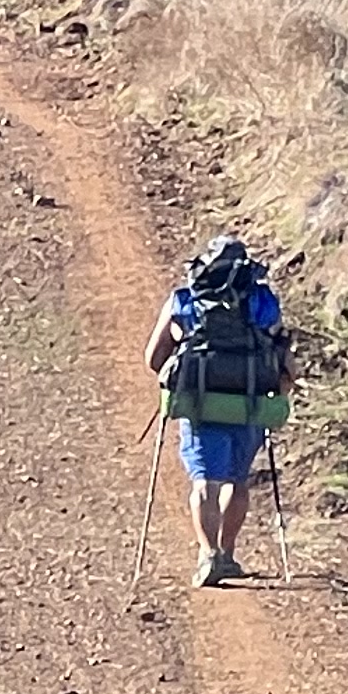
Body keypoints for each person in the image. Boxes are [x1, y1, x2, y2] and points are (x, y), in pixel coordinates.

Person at [146, 233, 291, 588]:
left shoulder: (185, 299)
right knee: (236, 481)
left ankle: (208, 556)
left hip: (200, 404)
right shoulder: (262, 300)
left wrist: (176, 377)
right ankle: (226, 554)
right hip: (250, 402)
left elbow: (153, 358)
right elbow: (280, 351)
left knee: (205, 483)